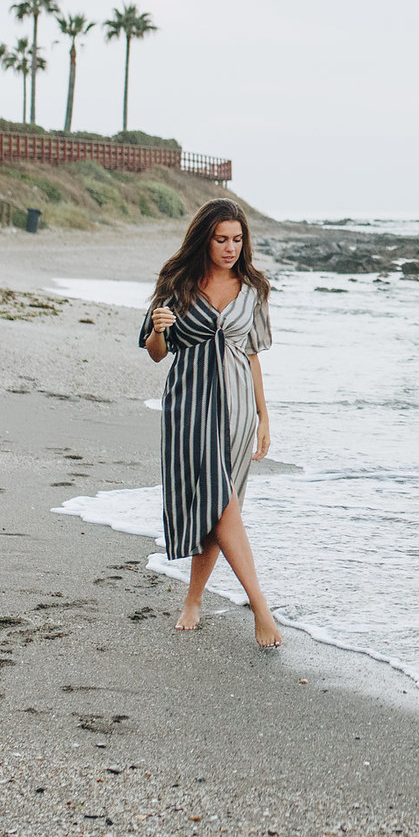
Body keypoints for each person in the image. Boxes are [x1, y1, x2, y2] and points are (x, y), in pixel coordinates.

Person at [140, 197, 281, 647]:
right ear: (205, 238)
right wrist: (159, 329)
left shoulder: (254, 289)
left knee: (221, 510)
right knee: (220, 505)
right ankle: (261, 609)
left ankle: (193, 600)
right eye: (221, 239)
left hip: (239, 413)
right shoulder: (177, 283)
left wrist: (263, 417)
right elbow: (157, 352)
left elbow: (253, 354)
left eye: (237, 240)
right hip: (190, 410)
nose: (230, 248)